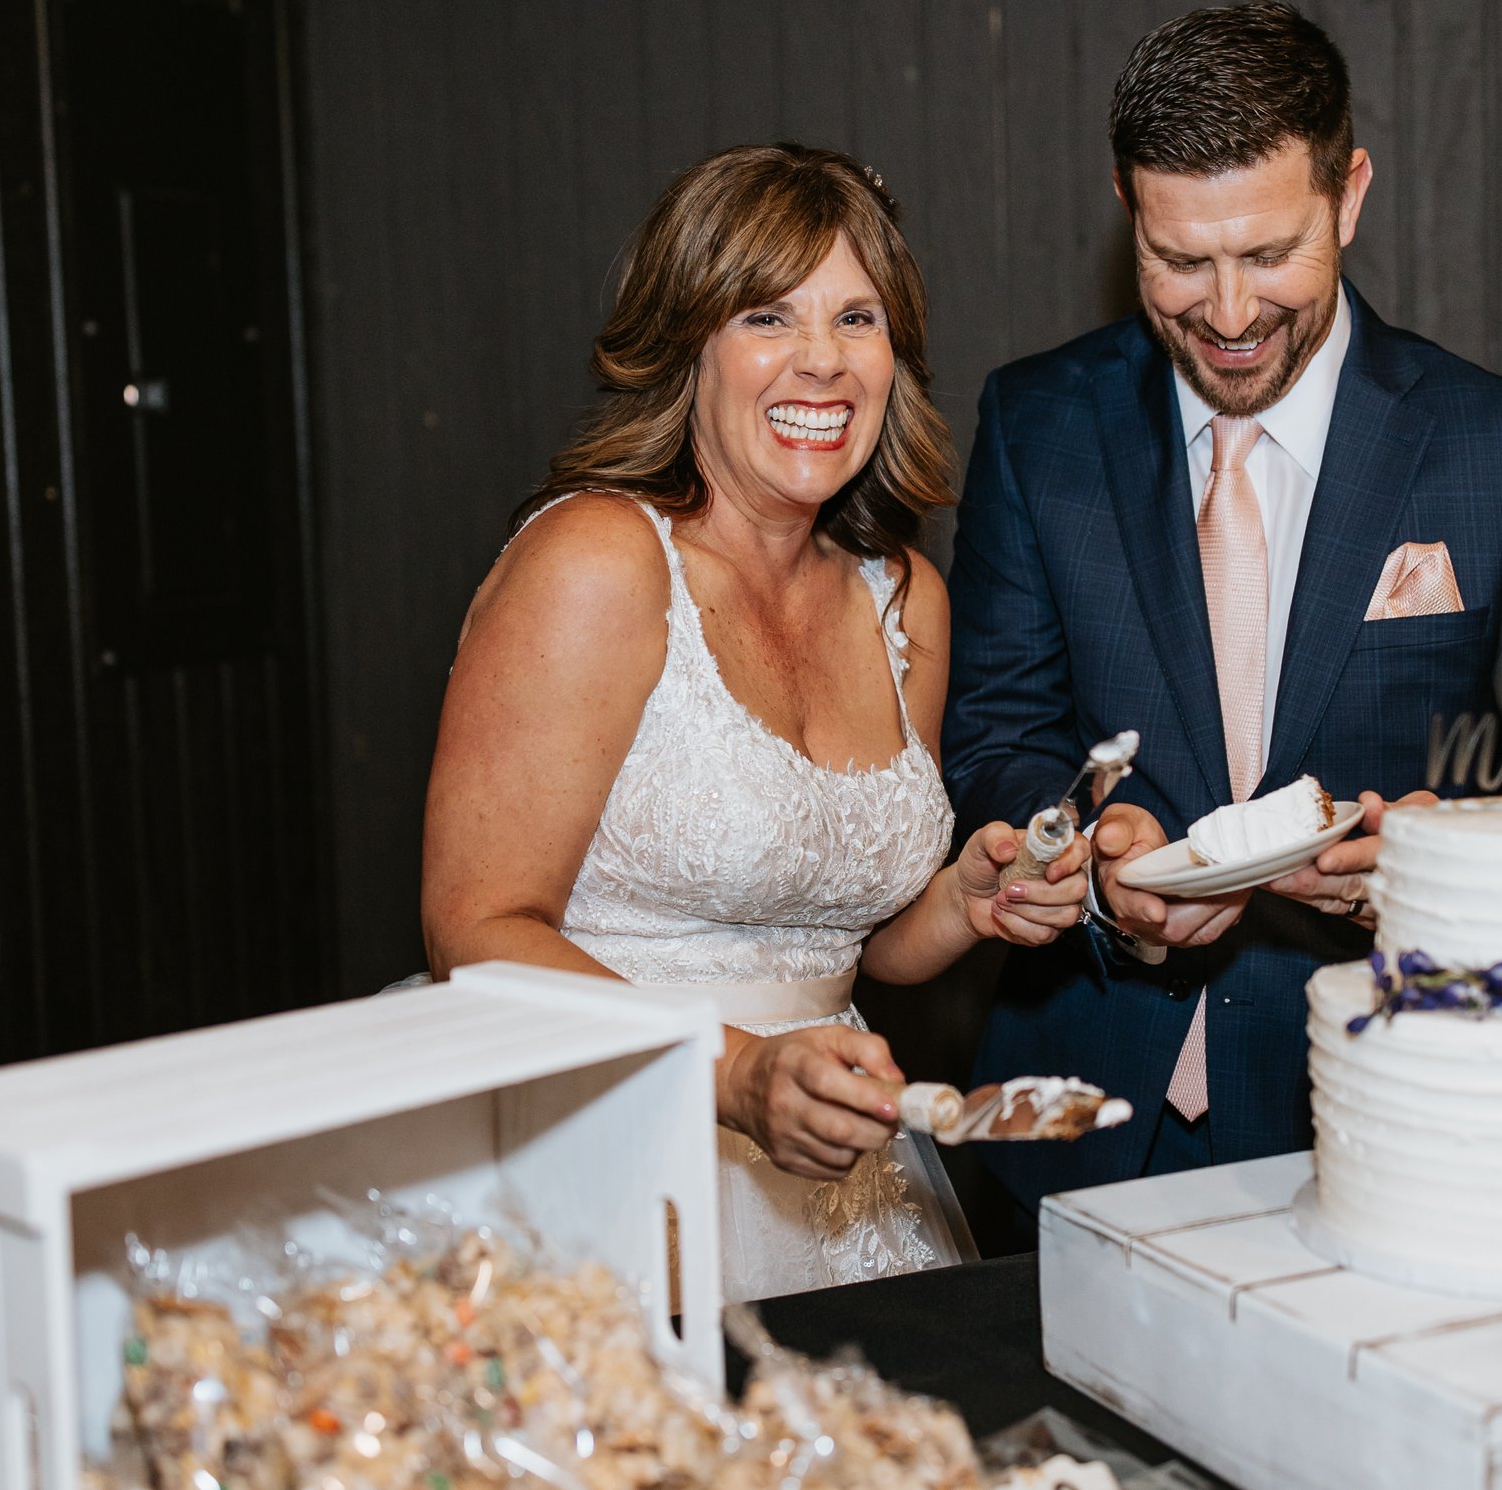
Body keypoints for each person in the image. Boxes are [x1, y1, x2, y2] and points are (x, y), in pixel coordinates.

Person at [943, 1, 1502, 1220]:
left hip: (1400, 1122)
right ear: (1129, 214)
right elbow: (993, 734)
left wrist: (1436, 860)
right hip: (1079, 1131)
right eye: (1180, 261)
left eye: (1268, 255)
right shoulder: (1040, 428)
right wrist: (1095, 858)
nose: (1230, 314)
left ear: (1347, 196)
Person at [421, 144, 1091, 1303]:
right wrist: (731, 1076)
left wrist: (962, 902)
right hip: (593, 1144)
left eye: (857, 318)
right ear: (690, 344)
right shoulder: (598, 562)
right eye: (767, 315)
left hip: (840, 1178)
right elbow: (473, 926)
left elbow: (850, 944)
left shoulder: (904, 600)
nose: (822, 360)